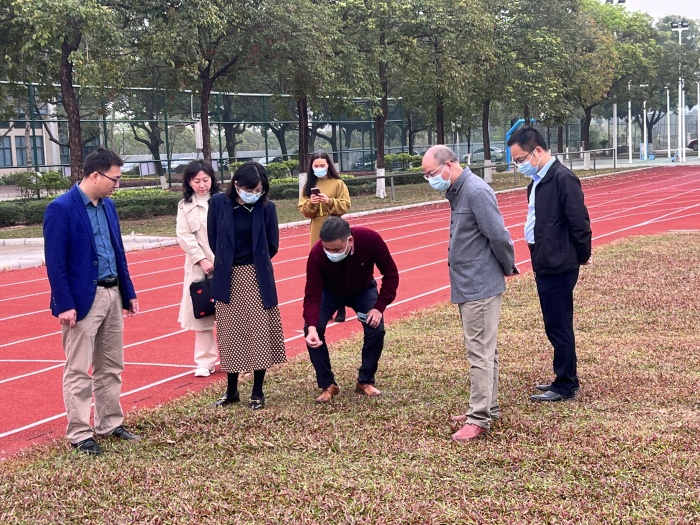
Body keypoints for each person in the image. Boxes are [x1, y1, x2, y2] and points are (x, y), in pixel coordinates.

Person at [43, 147, 140, 456]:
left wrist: (128, 291)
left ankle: (110, 423)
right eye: (114, 179)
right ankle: (80, 433)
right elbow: (55, 263)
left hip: (112, 293)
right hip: (82, 300)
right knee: (78, 369)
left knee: (111, 365)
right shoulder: (61, 208)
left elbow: (117, 251)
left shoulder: (108, 206)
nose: (117, 185)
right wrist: (64, 304)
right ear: (95, 175)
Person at [421, 145, 517, 442]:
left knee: (480, 353)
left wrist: (506, 267)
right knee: (486, 351)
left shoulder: (475, 191)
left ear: (449, 165)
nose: (430, 180)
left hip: (480, 285)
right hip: (469, 284)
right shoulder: (459, 191)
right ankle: (489, 407)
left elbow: (498, 236)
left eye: (432, 173)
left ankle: (479, 418)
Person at [507, 127, 592, 402]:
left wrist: (581, 255)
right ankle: (564, 377)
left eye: (521, 159)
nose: (519, 165)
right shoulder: (537, 181)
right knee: (554, 323)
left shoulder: (562, 179)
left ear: (538, 151)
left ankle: (565, 385)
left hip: (559, 262)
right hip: (544, 259)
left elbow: (579, 222)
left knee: (558, 324)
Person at [207, 161, 287, 410]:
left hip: (255, 275)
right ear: (236, 184)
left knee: (258, 331)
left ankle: (257, 391)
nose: (254, 194)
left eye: (259, 190)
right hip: (227, 276)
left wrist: (254, 263)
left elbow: (272, 245)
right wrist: (227, 261)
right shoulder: (218, 203)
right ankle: (231, 391)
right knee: (230, 333)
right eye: (250, 190)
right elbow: (213, 238)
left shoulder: (267, 207)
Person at [303, 217, 399, 403]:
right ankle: (327, 384)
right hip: (329, 293)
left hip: (363, 290)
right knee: (312, 330)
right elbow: (312, 295)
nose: (331, 253)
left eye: (336, 249)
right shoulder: (317, 253)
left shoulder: (370, 239)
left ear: (350, 240)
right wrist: (312, 327)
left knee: (376, 329)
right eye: (327, 249)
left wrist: (378, 308)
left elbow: (391, 274)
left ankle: (365, 381)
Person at [176, 160, 221, 378]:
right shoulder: (184, 206)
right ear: (189, 182)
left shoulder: (223, 201)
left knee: (229, 314)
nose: (202, 185)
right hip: (199, 267)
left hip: (225, 264)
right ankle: (205, 361)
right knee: (202, 314)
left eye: (205, 180)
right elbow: (184, 235)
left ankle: (234, 357)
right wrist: (202, 259)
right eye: (196, 181)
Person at [298, 150, 351, 322]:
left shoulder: (338, 183)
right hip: (317, 231)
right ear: (311, 167)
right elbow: (303, 210)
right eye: (316, 165)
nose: (319, 168)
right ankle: (325, 306)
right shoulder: (308, 186)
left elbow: (345, 206)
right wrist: (311, 203)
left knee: (338, 269)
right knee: (320, 269)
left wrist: (329, 201)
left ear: (328, 165)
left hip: (336, 229)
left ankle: (341, 306)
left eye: (322, 165)